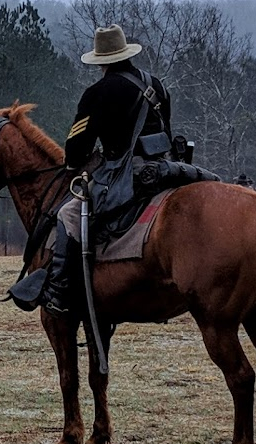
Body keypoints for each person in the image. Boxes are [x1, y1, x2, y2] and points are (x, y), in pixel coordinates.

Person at [25, 24, 172, 317]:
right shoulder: (156, 85)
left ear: (101, 61)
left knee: (68, 214)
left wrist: (83, 161)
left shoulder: (98, 92)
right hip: (163, 169)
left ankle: (59, 290)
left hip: (125, 174)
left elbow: (76, 149)